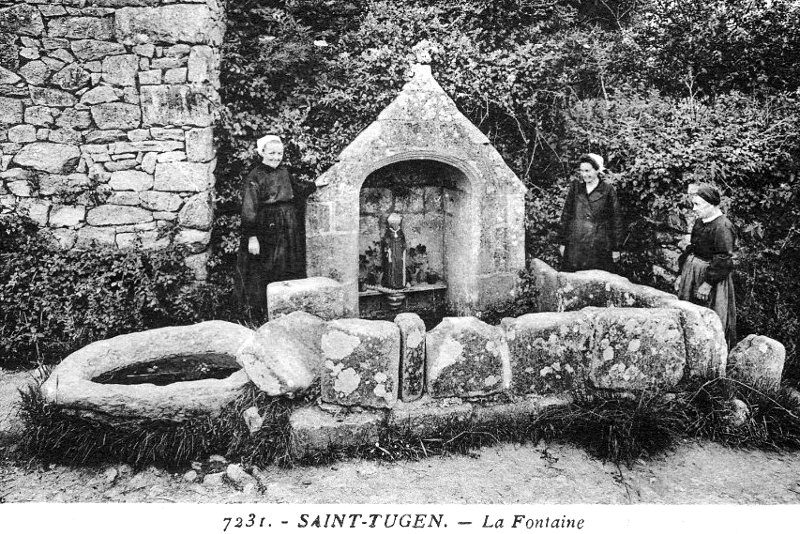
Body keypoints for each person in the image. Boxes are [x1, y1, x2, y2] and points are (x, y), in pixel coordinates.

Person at [236, 135, 317, 319]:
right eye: (271, 153)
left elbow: (299, 188)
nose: (275, 157)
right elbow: (249, 208)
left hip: (288, 227)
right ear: (262, 152)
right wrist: (252, 237)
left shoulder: (284, 172)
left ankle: (288, 311)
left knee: (288, 265)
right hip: (267, 229)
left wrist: (316, 185)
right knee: (267, 268)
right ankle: (264, 313)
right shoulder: (254, 176)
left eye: (279, 153)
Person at [675, 184, 737, 348]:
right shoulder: (700, 222)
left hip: (710, 278)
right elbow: (692, 249)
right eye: (693, 204)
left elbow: (723, 258)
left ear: (712, 205)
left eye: (698, 205)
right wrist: (682, 274)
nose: (694, 209)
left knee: (710, 316)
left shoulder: (722, 227)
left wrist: (708, 283)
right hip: (693, 272)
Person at [558, 153, 623, 272]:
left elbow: (616, 220)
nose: (584, 175)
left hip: (599, 246)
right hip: (575, 246)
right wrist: (563, 242)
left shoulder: (608, 190)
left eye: (588, 170)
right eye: (582, 171)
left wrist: (615, 248)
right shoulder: (576, 189)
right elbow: (566, 215)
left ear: (597, 170)